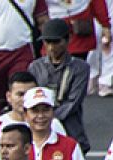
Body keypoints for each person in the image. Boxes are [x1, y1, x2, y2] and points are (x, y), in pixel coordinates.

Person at [28, 19, 92, 147]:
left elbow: (73, 102)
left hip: (70, 130)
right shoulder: (35, 67)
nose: (51, 47)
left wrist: (48, 117)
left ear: (68, 40)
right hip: (40, 132)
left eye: (56, 42)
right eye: (48, 42)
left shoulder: (80, 68)